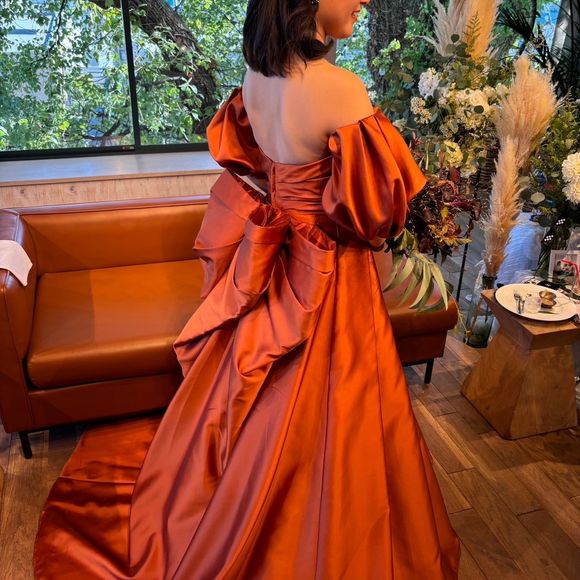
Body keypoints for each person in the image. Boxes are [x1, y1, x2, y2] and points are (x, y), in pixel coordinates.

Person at [35, 1, 461, 578]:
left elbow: (262, 167)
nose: (363, 1)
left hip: (277, 261)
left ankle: (252, 502)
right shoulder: (341, 89)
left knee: (262, 395)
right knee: (341, 408)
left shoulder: (256, 78)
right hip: (333, 272)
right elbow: (375, 213)